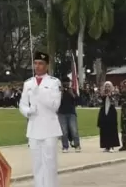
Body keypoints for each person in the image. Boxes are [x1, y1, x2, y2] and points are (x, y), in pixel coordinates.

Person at [18, 51, 62, 187]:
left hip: (49, 128)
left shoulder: (54, 82)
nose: (37, 66)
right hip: (34, 128)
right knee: (37, 164)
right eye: (36, 63)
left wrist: (40, 93)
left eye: (41, 63)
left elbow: (55, 105)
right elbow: (22, 104)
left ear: (47, 66)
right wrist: (28, 111)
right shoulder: (28, 83)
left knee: (50, 164)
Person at [57, 77, 80, 153]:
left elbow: (78, 101)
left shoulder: (72, 90)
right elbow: (57, 102)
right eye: (64, 82)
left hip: (71, 113)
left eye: (67, 82)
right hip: (61, 113)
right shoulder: (59, 91)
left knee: (74, 130)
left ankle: (77, 145)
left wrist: (72, 94)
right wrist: (61, 93)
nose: (66, 84)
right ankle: (65, 146)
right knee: (64, 131)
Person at [97, 81, 120, 152]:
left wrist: (110, 96)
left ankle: (112, 145)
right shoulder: (102, 94)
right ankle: (106, 146)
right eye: (106, 86)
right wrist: (101, 95)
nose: (107, 88)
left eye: (109, 86)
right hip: (104, 112)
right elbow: (98, 102)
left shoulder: (115, 94)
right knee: (104, 129)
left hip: (111, 112)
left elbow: (115, 103)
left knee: (112, 128)